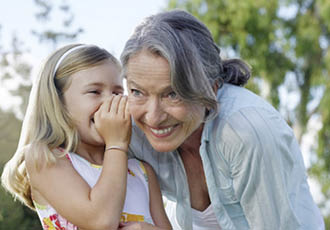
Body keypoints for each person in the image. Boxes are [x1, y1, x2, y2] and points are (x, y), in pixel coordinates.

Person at [120, 9, 325, 230]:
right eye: (137, 92)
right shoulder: (130, 129)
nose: (153, 117)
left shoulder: (246, 132)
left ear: (212, 88)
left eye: (173, 94)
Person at [1, 44, 171, 230]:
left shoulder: (142, 172)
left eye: (117, 93)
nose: (110, 101)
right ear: (59, 103)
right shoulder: (45, 157)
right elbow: (101, 221)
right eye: (95, 92)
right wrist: (116, 144)